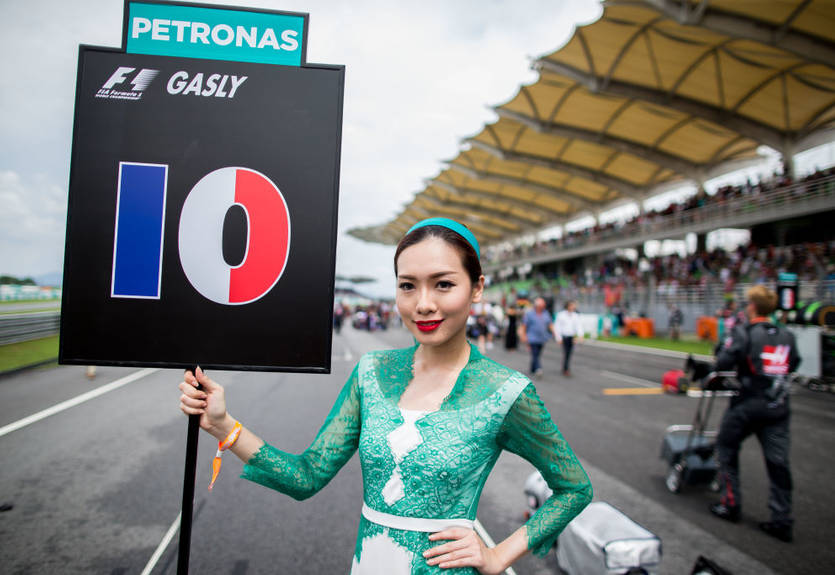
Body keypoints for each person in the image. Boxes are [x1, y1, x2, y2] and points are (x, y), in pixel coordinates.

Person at [178, 217, 592, 574]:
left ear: (477, 288)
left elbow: (574, 488)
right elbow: (305, 477)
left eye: (444, 284)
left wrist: (498, 555)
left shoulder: (506, 392)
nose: (423, 304)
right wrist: (221, 425)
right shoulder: (370, 373)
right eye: (408, 286)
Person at [709, 285, 800, 543]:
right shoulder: (787, 334)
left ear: (752, 306)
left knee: (725, 448)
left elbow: (724, 362)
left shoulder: (744, 333)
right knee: (779, 464)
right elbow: (795, 363)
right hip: (778, 407)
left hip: (747, 405)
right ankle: (782, 519)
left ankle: (730, 503)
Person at [518, 297, 554, 377]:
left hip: (542, 338)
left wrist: (556, 334)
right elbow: (524, 326)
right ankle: (538, 368)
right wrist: (523, 336)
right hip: (532, 338)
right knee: (535, 354)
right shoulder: (529, 314)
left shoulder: (546, 313)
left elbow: (550, 324)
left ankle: (532, 368)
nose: (542, 307)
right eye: (541, 305)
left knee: (537, 354)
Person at [554, 301, 583, 377]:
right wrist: (558, 338)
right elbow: (557, 327)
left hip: (571, 337)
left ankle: (565, 368)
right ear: (568, 306)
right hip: (564, 337)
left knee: (569, 353)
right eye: (572, 305)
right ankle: (566, 369)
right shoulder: (561, 315)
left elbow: (578, 326)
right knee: (566, 353)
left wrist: (580, 335)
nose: (573, 307)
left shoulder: (575, 315)